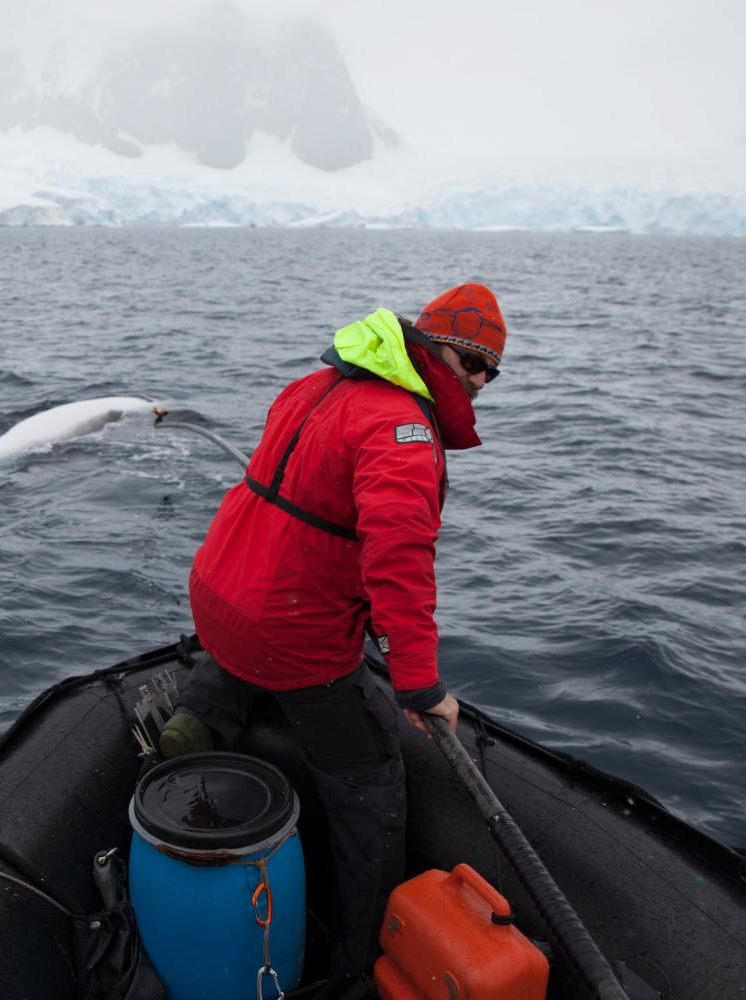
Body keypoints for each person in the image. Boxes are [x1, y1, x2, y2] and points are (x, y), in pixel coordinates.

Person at [159, 282, 507, 976]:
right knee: (373, 774)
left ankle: (198, 715)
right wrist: (419, 685)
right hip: (290, 633)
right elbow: (399, 563)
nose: (481, 384)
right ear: (438, 349)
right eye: (475, 366)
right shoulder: (405, 430)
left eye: (492, 374)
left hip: (215, 592)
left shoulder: (315, 384)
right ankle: (357, 960)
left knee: (244, 636)